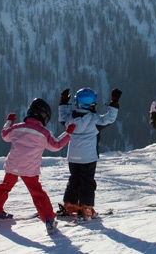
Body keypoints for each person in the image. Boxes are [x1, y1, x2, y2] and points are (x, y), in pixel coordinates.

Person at [0, 98, 76, 234]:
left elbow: (5, 135)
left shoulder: (18, 127)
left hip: (13, 165)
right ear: (45, 117)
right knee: (37, 193)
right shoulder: (44, 133)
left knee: (4, 187)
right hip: (30, 169)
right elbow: (56, 145)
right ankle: (48, 218)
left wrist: (9, 121)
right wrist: (68, 133)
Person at [57, 86, 121, 219]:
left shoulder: (69, 119)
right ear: (92, 104)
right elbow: (109, 119)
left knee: (74, 179)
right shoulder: (94, 120)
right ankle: (85, 208)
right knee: (87, 181)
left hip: (73, 156)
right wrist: (114, 103)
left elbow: (61, 117)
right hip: (88, 157)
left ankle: (70, 205)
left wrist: (63, 103)